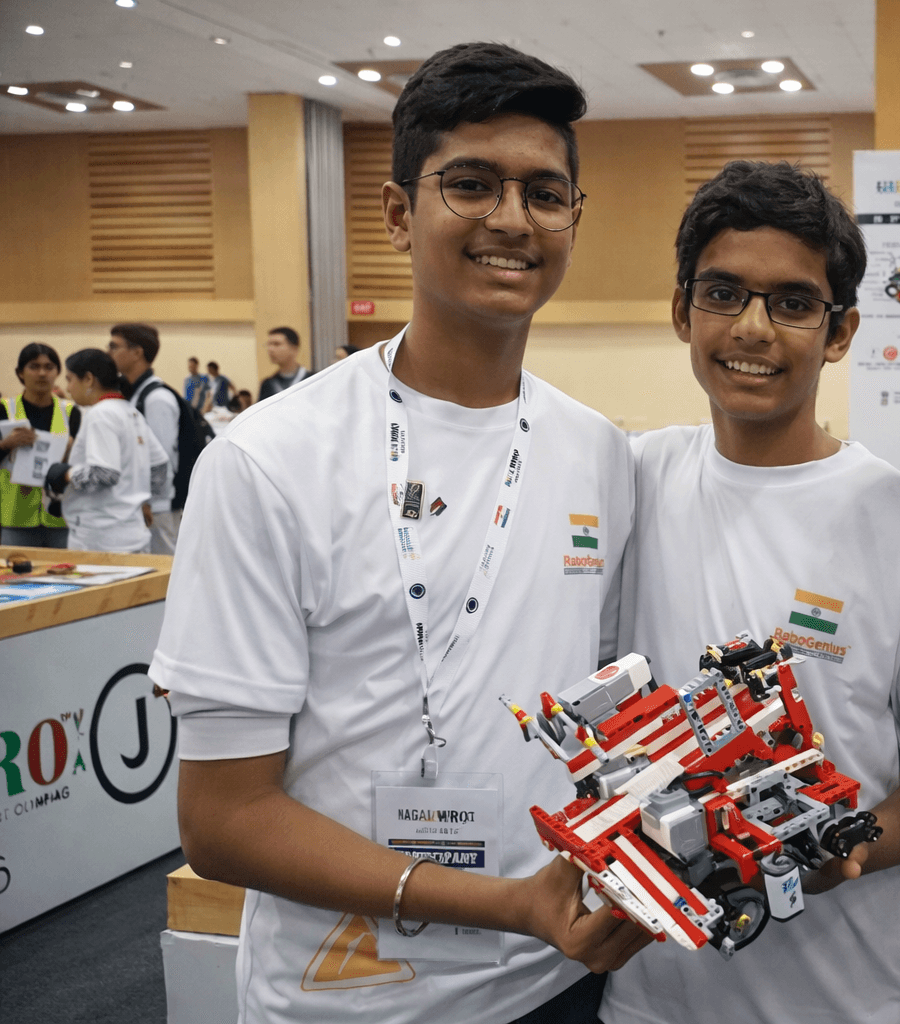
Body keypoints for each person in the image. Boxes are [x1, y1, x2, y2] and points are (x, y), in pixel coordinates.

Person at [150, 42, 651, 1024]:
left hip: (555, 982)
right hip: (344, 1001)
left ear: (573, 221)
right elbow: (224, 819)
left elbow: (586, 714)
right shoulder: (270, 459)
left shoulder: (598, 453)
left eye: (546, 193)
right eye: (471, 184)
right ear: (395, 212)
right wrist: (504, 902)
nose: (513, 218)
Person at [601, 162, 900, 1024]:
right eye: (724, 293)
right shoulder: (633, 480)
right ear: (681, 311)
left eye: (793, 303)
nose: (754, 328)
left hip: (855, 997)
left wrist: (827, 854)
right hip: (659, 999)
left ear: (839, 332)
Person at [47, 348, 167, 553]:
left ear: (88, 379)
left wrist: (65, 474)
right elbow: (160, 465)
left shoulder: (100, 414)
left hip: (100, 538)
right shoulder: (130, 412)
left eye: (70, 379)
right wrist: (144, 501)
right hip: (132, 531)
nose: (67, 388)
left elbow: (105, 473)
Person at [110, 323, 182, 554]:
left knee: (164, 574)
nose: (109, 352)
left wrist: (148, 501)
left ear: (137, 352)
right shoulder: (136, 395)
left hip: (159, 506)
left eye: (114, 346)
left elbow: (163, 459)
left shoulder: (156, 398)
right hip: (143, 503)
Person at [1, 343, 81, 547]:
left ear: (57, 372)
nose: (42, 373)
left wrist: (71, 450)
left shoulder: (71, 412)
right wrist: (6, 445)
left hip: (59, 516)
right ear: (20, 373)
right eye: (34, 366)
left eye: (49, 367)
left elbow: (83, 465)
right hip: (14, 516)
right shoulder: (5, 409)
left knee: (62, 577)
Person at [258, 326, 309, 401]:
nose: (270, 349)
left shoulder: (311, 379)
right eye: (269, 344)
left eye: (276, 344)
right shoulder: (267, 385)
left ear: (294, 348)